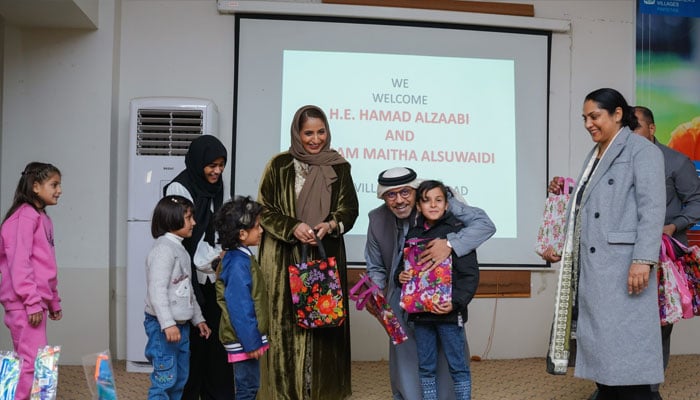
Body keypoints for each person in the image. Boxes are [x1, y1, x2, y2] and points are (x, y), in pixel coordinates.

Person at [542, 88, 666, 399]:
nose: (588, 123)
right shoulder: (598, 152)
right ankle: (608, 391)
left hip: (624, 265)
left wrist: (643, 259)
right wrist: (563, 240)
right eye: (585, 118)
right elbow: (591, 202)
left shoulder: (642, 151)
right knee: (605, 348)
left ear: (617, 114)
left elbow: (652, 209)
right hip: (595, 267)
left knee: (627, 349)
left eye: (594, 116)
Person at [365, 166, 496, 400]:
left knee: (449, 355)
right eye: (391, 195)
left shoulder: (440, 201)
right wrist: (378, 297)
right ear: (383, 197)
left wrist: (450, 244)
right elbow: (375, 266)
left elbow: (485, 225)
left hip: (441, 292)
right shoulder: (376, 219)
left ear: (415, 193)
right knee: (407, 358)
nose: (399, 200)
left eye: (405, 192)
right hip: (400, 293)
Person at [257, 105, 359, 400]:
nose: (316, 139)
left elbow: (349, 210)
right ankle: (284, 392)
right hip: (284, 259)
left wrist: (331, 224)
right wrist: (293, 227)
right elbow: (264, 209)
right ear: (297, 134)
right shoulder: (279, 165)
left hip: (323, 257)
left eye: (321, 132)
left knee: (323, 325)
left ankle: (322, 391)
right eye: (308, 133)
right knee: (285, 326)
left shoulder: (339, 166)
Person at [633, 105, 700, 399]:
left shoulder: (676, 161)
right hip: (624, 254)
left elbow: (697, 203)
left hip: (663, 257)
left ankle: (649, 389)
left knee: (659, 323)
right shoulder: (619, 162)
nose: (629, 135)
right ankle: (616, 385)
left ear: (651, 128)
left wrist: (674, 226)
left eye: (635, 128)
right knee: (624, 322)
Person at [163, 135, 234, 399]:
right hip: (188, 279)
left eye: (221, 164)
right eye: (211, 165)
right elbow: (181, 240)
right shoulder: (178, 189)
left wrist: (222, 255)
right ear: (198, 162)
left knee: (216, 342)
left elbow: (217, 226)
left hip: (213, 275)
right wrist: (209, 260)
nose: (217, 171)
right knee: (191, 347)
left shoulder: (217, 186)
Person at [396, 180, 479, 400]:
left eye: (438, 200)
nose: (433, 205)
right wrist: (399, 276)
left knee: (458, 365)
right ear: (418, 206)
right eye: (426, 200)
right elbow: (402, 268)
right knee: (426, 366)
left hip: (449, 313)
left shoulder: (457, 232)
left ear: (447, 204)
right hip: (421, 315)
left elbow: (469, 275)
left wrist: (456, 302)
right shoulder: (413, 233)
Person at [0, 162, 63, 400]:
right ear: (36, 186)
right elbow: (19, 262)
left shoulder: (42, 218)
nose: (59, 190)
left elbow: (46, 265)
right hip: (25, 304)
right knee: (34, 364)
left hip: (34, 302)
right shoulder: (24, 217)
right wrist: (31, 300)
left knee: (30, 361)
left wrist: (52, 300)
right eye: (54, 184)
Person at [144, 195, 211, 400]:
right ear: (172, 220)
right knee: (165, 380)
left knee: (180, 379)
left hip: (180, 326)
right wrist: (168, 324)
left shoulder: (179, 247)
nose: (194, 222)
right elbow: (157, 291)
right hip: (164, 327)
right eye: (189, 218)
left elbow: (186, 289)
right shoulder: (164, 249)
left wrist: (197, 319)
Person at [213, 196, 269, 400]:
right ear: (242, 233)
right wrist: (251, 342)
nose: (261, 230)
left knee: (250, 387)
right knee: (247, 389)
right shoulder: (238, 263)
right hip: (243, 340)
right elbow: (240, 307)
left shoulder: (240, 257)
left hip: (245, 338)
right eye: (257, 227)